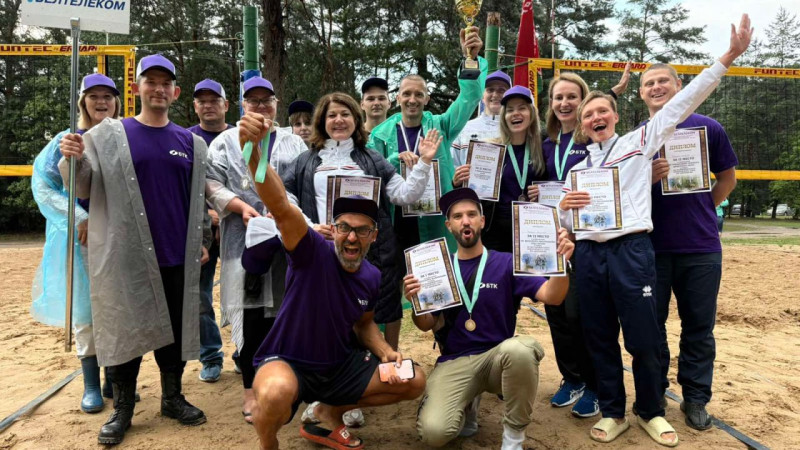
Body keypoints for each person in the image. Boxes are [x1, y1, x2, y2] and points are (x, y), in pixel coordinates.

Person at [557, 15, 751, 446]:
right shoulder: (577, 170)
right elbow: (569, 227)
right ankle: (613, 411)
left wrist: (728, 57)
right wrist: (564, 212)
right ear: (583, 127)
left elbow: (684, 102)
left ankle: (650, 410)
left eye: (601, 110)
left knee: (644, 338)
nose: (595, 117)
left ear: (615, 116)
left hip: (632, 251)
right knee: (599, 338)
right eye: (588, 115)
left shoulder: (638, 143)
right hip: (590, 257)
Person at [239, 109, 427, 450]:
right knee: (276, 392)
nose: (351, 238)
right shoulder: (310, 250)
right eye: (344, 228)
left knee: (413, 379)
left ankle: (329, 412)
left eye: (362, 231)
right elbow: (280, 205)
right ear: (333, 229)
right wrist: (254, 154)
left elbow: (364, 324)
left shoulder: (371, 275)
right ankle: (269, 443)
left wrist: (386, 350)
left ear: (373, 236)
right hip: (288, 362)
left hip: (339, 367)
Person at [59, 54, 210, 445]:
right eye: (150, 81)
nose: (158, 89)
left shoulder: (191, 143)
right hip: (125, 255)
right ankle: (123, 408)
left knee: (175, 332)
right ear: (136, 88)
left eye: (166, 83)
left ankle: (172, 398)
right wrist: (72, 158)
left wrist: (203, 240)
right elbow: (83, 186)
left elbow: (198, 198)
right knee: (125, 331)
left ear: (175, 92)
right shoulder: (108, 135)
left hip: (177, 253)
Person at [279, 92, 436, 427]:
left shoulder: (372, 158)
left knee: (361, 320)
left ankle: (348, 399)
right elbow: (283, 196)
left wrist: (423, 163)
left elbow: (404, 195)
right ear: (322, 121)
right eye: (332, 115)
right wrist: (308, 226)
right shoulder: (306, 160)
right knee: (324, 322)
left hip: (364, 253)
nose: (338, 120)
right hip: (321, 253)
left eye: (345, 114)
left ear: (356, 119)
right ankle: (321, 396)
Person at [407, 188, 573, 449]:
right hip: (455, 360)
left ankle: (513, 437)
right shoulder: (439, 269)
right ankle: (468, 403)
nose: (466, 221)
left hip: (498, 359)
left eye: (472, 214)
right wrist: (417, 303)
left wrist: (561, 265)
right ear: (449, 225)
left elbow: (553, 297)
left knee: (521, 350)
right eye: (458, 216)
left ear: (482, 221)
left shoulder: (506, 263)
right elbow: (426, 325)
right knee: (434, 433)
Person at [643, 61, 739, 430]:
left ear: (679, 84)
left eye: (662, 81)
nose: (656, 87)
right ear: (642, 93)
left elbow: (727, 178)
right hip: (651, 248)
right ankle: (655, 392)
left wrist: (703, 207)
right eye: (649, 83)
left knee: (698, 327)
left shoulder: (708, 128)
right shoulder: (640, 136)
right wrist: (649, 179)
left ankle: (696, 398)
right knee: (652, 327)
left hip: (700, 247)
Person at [205, 75, 306, 423]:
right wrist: (239, 206)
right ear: (242, 105)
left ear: (276, 104)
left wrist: (283, 207)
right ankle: (250, 386)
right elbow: (210, 181)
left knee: (285, 313)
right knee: (251, 317)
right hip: (241, 238)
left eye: (267, 100)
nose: (261, 106)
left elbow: (301, 183)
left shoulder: (293, 143)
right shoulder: (224, 142)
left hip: (286, 241)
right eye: (253, 101)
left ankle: (285, 383)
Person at [31, 73, 122, 414]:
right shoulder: (67, 140)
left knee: (116, 309)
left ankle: (115, 378)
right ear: (83, 101)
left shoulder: (124, 137)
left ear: (116, 101)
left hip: (117, 237)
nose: (102, 102)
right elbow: (43, 186)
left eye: (108, 96)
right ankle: (91, 384)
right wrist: (79, 217)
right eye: (94, 96)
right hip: (82, 240)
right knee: (86, 311)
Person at [368, 26, 486, 253]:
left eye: (418, 94)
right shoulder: (380, 135)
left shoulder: (441, 126)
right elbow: (372, 175)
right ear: (397, 98)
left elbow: (470, 97)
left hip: (434, 222)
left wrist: (470, 59)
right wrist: (394, 159)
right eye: (406, 94)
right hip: (396, 223)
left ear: (427, 99)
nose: (412, 100)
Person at [452, 85, 545, 252]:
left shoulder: (543, 147)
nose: (515, 113)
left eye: (522, 108)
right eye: (510, 110)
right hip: (495, 232)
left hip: (532, 230)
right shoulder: (490, 149)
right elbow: (474, 194)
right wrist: (458, 183)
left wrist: (543, 192)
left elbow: (556, 183)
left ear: (531, 113)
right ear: (504, 116)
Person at [187, 78, 233, 383]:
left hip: (236, 226)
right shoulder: (186, 139)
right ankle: (211, 355)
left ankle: (244, 352)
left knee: (243, 294)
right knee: (199, 296)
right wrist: (207, 216)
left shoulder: (239, 136)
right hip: (198, 230)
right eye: (202, 101)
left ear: (226, 105)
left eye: (214, 100)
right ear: (195, 106)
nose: (208, 106)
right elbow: (183, 187)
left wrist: (225, 212)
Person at [450, 70, 511, 166]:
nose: (495, 95)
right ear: (482, 95)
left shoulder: (516, 130)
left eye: (501, 90)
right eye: (490, 90)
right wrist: (456, 174)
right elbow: (452, 165)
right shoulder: (464, 128)